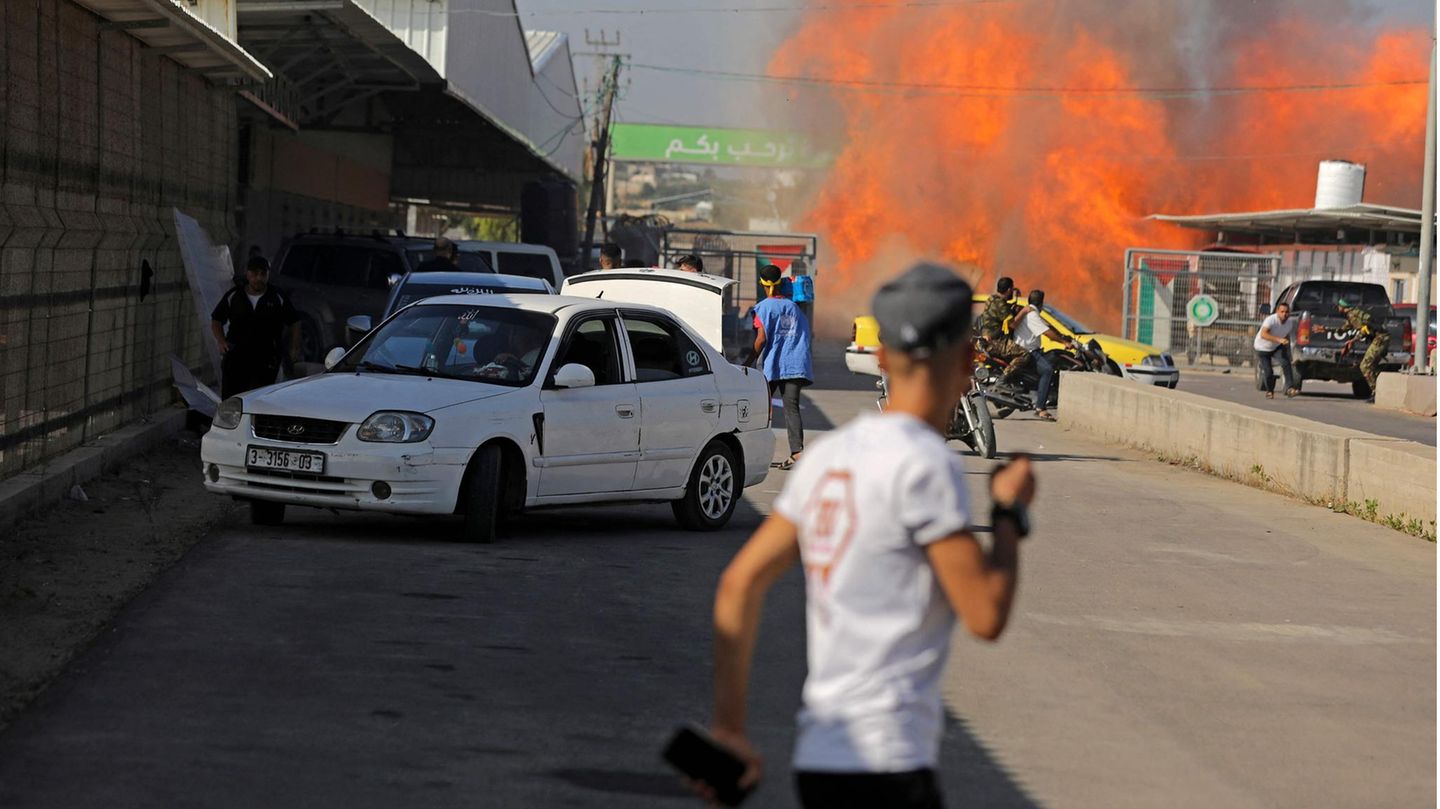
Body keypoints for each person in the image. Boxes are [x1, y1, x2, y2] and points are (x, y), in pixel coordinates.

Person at [703, 262, 1035, 809]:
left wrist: (729, 729)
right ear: (967, 362)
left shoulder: (827, 458)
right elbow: (985, 613)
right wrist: (1008, 512)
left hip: (820, 760)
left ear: (881, 358)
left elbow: (739, 585)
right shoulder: (926, 464)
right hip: (890, 764)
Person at [210, 256, 301, 398]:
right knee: (232, 398)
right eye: (254, 273)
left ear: (268, 275)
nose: (258, 278)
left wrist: (295, 347)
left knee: (260, 399)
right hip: (237, 356)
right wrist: (221, 341)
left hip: (266, 356)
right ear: (247, 274)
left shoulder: (277, 297)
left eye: (263, 274)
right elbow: (216, 319)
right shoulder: (234, 296)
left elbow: (295, 321)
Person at [753, 264, 812, 469]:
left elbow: (761, 340)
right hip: (795, 365)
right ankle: (797, 453)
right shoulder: (794, 307)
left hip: (772, 366)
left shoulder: (762, 307)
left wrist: (748, 361)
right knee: (791, 409)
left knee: (758, 409)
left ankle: (753, 454)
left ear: (762, 284)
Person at [1011, 289, 1074, 421]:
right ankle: (1040, 408)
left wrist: (1062, 335)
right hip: (1028, 351)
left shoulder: (1031, 313)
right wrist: (1064, 342)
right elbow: (1046, 333)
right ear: (1041, 303)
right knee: (1047, 370)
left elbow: (1047, 326)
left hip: (1028, 350)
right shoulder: (1032, 315)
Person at [974, 276, 1028, 380]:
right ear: (1009, 290)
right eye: (1012, 289)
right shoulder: (1000, 304)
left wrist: (1014, 305)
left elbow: (1002, 312)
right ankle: (1004, 379)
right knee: (1024, 354)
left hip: (988, 340)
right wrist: (1024, 311)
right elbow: (1012, 324)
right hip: (995, 342)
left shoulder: (991, 299)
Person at [1339, 298, 1390, 402]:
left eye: (1339, 306)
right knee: (1372, 367)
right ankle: (1379, 391)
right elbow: (1343, 329)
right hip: (1381, 338)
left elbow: (1365, 329)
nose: (1338, 308)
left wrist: (1353, 340)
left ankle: (1376, 392)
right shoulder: (1354, 314)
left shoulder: (1353, 315)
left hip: (1380, 338)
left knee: (1365, 366)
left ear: (1343, 307)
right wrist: (1325, 329)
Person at [1253, 302, 1299, 399]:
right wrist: (1279, 340)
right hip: (1262, 348)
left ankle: (1289, 388)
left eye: (1286, 312)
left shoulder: (1289, 323)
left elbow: (1286, 336)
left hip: (1276, 346)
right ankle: (1270, 391)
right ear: (1277, 311)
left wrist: (1288, 350)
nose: (1284, 314)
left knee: (1286, 363)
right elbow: (1263, 334)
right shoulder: (1271, 320)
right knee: (1268, 371)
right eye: (1282, 312)